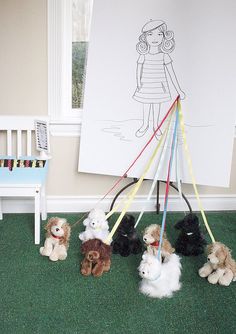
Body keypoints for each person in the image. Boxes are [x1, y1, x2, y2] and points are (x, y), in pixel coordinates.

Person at [133, 20, 185, 137]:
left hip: (159, 85)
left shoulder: (164, 55)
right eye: (150, 34)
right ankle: (145, 124)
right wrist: (138, 83)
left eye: (159, 34)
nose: (155, 38)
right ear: (145, 37)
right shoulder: (143, 55)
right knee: (146, 104)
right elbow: (138, 68)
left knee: (157, 104)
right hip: (145, 85)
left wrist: (179, 90)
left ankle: (156, 126)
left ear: (164, 36)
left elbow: (171, 73)